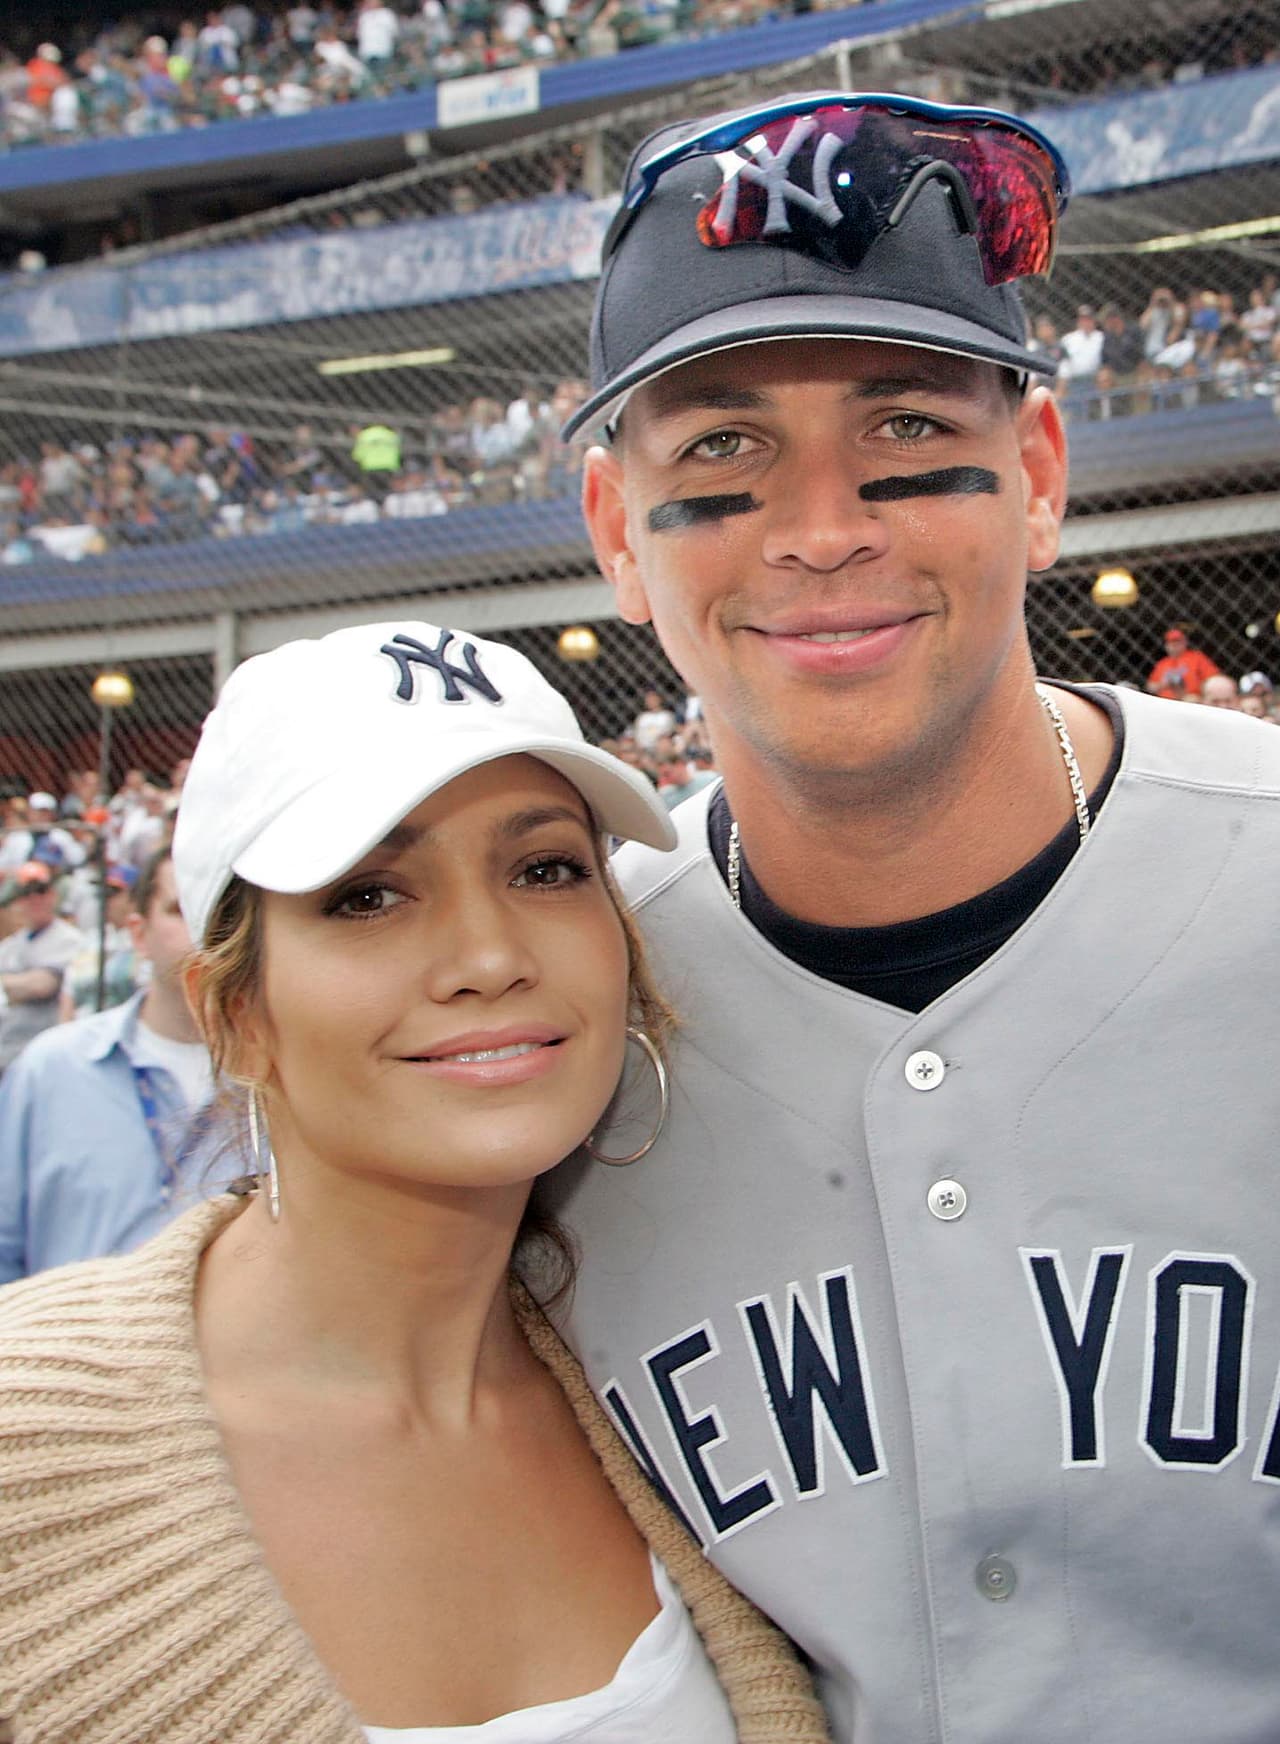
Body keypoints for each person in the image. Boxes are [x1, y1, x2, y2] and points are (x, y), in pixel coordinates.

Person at [554, 90, 1280, 1742]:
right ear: (616, 530)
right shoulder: (571, 1027)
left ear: (1037, 472)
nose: (823, 529)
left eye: (900, 425)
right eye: (723, 448)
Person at [0, 621, 827, 1744]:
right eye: (369, 895)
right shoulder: (28, 1441)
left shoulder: (695, 1383)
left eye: (545, 869)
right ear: (235, 1014)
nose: (490, 955)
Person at [0, 849, 216, 1281]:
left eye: (221, 908)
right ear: (139, 934)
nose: (205, 929)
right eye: (181, 909)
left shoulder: (294, 1078)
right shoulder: (50, 1070)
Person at [0, 861, 80, 1076]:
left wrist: (7, 983)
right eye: (27, 893)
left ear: (53, 895)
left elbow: (42, 986)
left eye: (41, 891)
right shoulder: (10, 946)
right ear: (17, 901)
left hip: (42, 1056)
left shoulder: (68, 939)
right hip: (6, 1053)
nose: (35, 899)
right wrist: (17, 986)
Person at [1146, 622, 1221, 699]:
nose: (1174, 645)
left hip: (1190, 700)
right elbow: (1150, 686)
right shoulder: (1162, 664)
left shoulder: (1197, 657)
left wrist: (1200, 696)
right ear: (1166, 645)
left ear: (1185, 642)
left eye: (1177, 642)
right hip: (1165, 701)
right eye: (1171, 642)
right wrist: (1161, 685)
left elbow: (1213, 679)